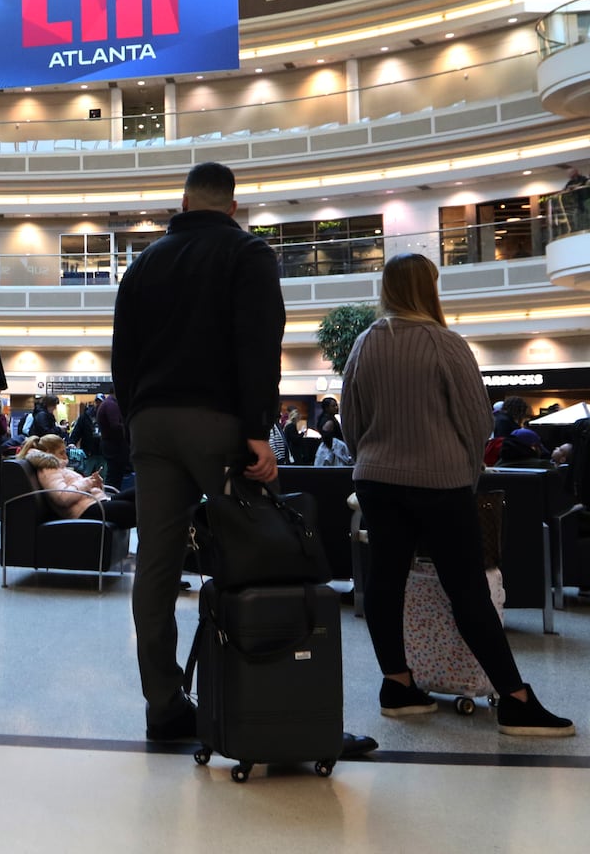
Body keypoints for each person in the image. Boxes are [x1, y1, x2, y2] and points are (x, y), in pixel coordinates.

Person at [341, 252, 573, 737]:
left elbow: (351, 420)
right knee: (466, 588)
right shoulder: (445, 344)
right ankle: (514, 698)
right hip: (440, 483)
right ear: (429, 287)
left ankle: (397, 685)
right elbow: (476, 423)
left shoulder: (364, 344)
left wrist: (374, 460)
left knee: (384, 585)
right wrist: (466, 475)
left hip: (376, 480)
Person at [111, 161, 287, 742]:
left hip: (153, 426)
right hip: (220, 426)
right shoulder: (247, 254)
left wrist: (138, 414)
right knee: (263, 549)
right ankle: (266, 699)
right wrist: (259, 428)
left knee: (156, 567)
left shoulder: (142, 265)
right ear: (233, 207)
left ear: (183, 202)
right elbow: (259, 343)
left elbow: (123, 359)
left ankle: (163, 706)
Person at [17, 434, 136, 527]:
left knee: (139, 494)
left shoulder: (57, 467)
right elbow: (62, 497)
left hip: (94, 503)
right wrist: (88, 482)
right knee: (139, 508)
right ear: (49, 453)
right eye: (61, 453)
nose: (66, 457)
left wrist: (96, 484)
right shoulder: (48, 468)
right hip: (85, 510)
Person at [95, 392, 131, 490]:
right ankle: (112, 498)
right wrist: (129, 428)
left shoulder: (108, 404)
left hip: (110, 444)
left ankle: (111, 497)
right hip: (114, 445)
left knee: (114, 474)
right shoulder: (111, 405)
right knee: (115, 475)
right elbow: (115, 426)